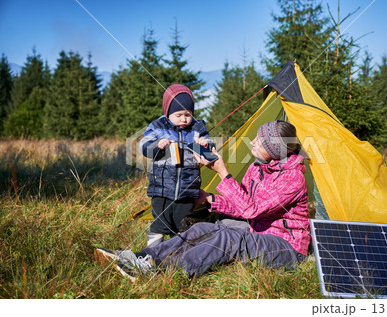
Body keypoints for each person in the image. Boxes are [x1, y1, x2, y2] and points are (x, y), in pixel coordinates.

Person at [95, 120, 310, 280]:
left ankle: (162, 271)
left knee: (228, 238)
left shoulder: (292, 178)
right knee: (204, 229)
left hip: (287, 247)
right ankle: (140, 257)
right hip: (258, 230)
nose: (252, 142)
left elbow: (250, 210)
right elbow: (242, 202)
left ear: (274, 150)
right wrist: (210, 199)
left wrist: (222, 172)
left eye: (260, 141)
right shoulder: (257, 168)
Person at [140, 84, 214, 247]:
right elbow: (144, 147)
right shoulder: (158, 126)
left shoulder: (197, 128)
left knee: (183, 224)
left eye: (188, 114)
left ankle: (177, 254)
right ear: (167, 113)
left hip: (188, 188)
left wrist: (204, 144)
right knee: (160, 223)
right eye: (178, 114)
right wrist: (157, 144)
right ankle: (152, 252)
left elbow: (209, 150)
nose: (184, 119)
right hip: (161, 188)